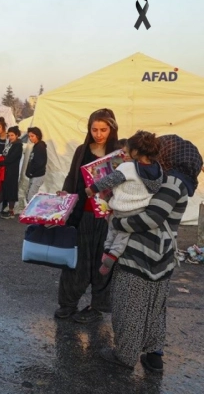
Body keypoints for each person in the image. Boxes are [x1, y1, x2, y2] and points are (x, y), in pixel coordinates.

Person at [99, 134, 202, 371]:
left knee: (130, 305)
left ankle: (124, 355)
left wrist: (116, 223)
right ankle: (154, 356)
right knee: (155, 308)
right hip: (162, 257)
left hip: (140, 254)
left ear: (169, 155)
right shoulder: (175, 182)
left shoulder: (171, 183)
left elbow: (151, 218)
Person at [55, 108, 119, 323]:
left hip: (109, 218)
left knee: (103, 262)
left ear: (112, 128)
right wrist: (66, 194)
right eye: (94, 129)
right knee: (77, 261)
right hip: (84, 214)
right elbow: (73, 176)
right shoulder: (83, 150)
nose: (99, 134)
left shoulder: (120, 153)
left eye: (103, 129)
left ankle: (97, 306)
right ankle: (68, 303)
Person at [85, 131, 162, 275]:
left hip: (121, 208)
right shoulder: (157, 169)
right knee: (123, 236)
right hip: (139, 211)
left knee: (112, 229)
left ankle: (107, 251)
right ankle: (112, 255)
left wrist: (92, 189)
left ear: (136, 151)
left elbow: (109, 180)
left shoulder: (128, 167)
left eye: (127, 151)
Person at [0, 126, 23, 219]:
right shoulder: (10, 144)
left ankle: (10, 210)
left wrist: (0, 163)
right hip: (5, 170)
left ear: (17, 135)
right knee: (1, 190)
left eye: (12, 135)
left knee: (9, 190)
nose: (10, 137)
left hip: (11, 172)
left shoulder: (18, 145)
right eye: (9, 135)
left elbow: (10, 159)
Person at [24, 127, 48, 204]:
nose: (30, 138)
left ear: (37, 136)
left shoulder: (40, 146)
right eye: (29, 136)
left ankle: (32, 214)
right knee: (30, 195)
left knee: (31, 196)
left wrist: (31, 172)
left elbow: (40, 162)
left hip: (37, 175)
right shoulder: (36, 146)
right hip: (35, 175)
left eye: (32, 136)